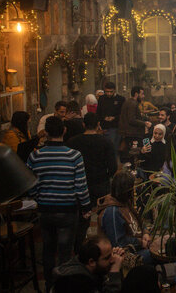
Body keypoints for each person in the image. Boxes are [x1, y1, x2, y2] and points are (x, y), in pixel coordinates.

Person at [26, 116, 91, 287]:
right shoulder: (74, 156)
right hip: (68, 210)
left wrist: (38, 198)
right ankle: (63, 286)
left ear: (46, 133)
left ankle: (49, 285)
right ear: (64, 131)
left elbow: (30, 185)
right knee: (64, 251)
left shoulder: (35, 156)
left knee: (48, 249)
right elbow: (80, 186)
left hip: (45, 210)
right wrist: (85, 206)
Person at [67, 113, 118, 253]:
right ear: (98, 125)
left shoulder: (73, 142)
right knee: (103, 216)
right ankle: (106, 249)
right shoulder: (105, 141)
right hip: (101, 182)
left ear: (83, 124)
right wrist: (106, 176)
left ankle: (79, 250)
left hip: (80, 184)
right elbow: (113, 166)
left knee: (83, 218)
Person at [95, 171, 152, 264]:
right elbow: (118, 243)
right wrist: (140, 241)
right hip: (125, 256)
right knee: (155, 253)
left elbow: (139, 222)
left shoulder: (125, 202)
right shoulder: (112, 212)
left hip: (138, 246)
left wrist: (145, 233)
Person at [51, 234, 124, 293]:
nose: (112, 260)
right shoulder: (77, 282)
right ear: (91, 262)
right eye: (107, 258)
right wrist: (114, 272)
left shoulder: (85, 264)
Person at [119, 86, 152, 163]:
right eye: (142, 94)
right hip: (132, 134)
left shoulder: (130, 102)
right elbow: (131, 119)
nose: (143, 96)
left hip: (130, 133)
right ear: (136, 94)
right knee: (133, 154)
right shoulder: (132, 103)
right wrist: (145, 123)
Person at [96, 82, 125, 159]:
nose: (108, 94)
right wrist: (102, 119)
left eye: (111, 92)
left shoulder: (120, 99)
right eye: (107, 92)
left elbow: (123, 114)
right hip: (104, 127)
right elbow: (98, 112)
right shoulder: (101, 99)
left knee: (113, 148)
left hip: (115, 127)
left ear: (114, 90)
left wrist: (114, 118)